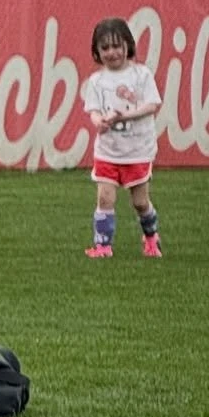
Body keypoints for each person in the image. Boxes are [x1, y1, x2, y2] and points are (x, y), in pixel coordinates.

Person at [82, 17, 163, 260]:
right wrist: (101, 123)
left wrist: (124, 115)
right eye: (105, 48)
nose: (112, 52)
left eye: (117, 46)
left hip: (137, 149)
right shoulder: (96, 81)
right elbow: (93, 112)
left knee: (140, 202)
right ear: (96, 52)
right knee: (105, 196)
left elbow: (152, 105)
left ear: (128, 45)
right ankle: (103, 246)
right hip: (108, 150)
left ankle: (151, 238)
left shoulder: (141, 75)